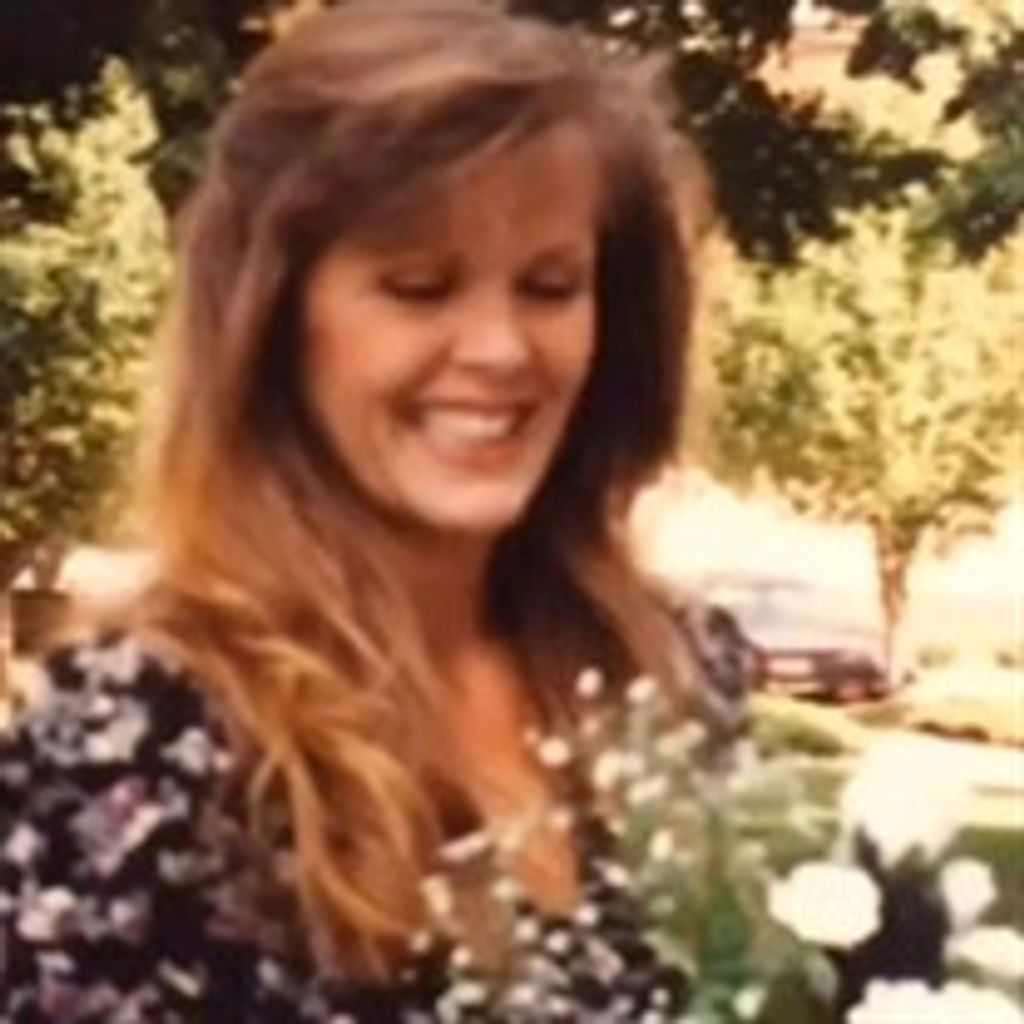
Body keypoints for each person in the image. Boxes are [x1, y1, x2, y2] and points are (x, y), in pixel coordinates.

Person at [0, 2, 724, 1019]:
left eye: (550, 286)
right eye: (419, 287)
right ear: (274, 321)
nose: (500, 348)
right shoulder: (130, 748)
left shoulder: (678, 679)